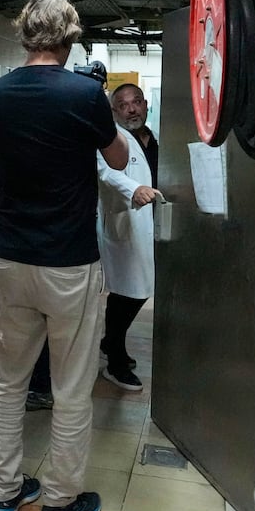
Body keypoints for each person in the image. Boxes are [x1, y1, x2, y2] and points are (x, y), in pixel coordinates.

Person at [0, 0, 129, 511]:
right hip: (68, 262)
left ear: (25, 35)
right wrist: (97, 114)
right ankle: (61, 501)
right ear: (70, 36)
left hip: (11, 258)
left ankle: (6, 492)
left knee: (8, 379)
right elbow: (120, 157)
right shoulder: (85, 94)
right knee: (70, 386)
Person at [96, 83, 161, 391]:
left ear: (146, 104)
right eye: (124, 105)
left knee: (137, 290)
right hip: (126, 223)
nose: (132, 108)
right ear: (114, 111)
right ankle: (115, 362)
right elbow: (105, 173)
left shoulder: (152, 136)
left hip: (153, 222)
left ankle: (110, 344)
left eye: (136, 102)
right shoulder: (109, 139)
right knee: (127, 293)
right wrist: (133, 189)